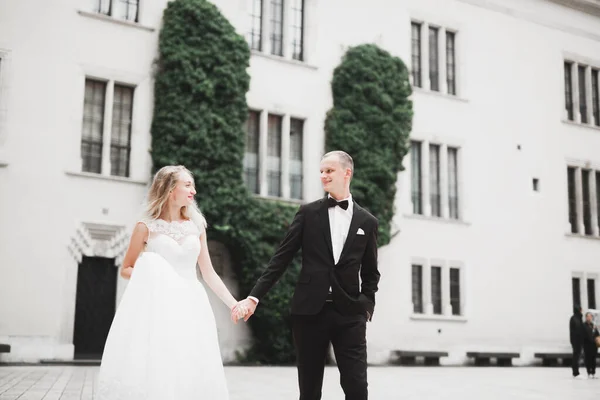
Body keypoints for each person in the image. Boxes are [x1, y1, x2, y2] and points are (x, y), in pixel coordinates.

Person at [233, 150, 381, 400]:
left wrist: (366, 305)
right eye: (321, 171)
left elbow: (370, 271)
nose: (323, 175)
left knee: (357, 387)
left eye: (329, 170)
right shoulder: (308, 213)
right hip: (310, 313)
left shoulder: (367, 221)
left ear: (347, 173)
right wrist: (253, 297)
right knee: (310, 390)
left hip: (349, 315)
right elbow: (281, 258)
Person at [95, 165, 246, 400]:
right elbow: (127, 268)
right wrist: (155, 274)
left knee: (190, 363)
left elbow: (208, 273)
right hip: (158, 308)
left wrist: (233, 304)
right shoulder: (145, 227)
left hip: (191, 305)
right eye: (187, 185)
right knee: (161, 363)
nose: (193, 191)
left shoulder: (196, 227)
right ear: (169, 188)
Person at [582, 311, 599, 378]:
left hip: (594, 346)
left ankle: (593, 373)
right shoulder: (583, 325)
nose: (589, 318)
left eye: (590, 316)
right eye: (588, 316)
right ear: (586, 317)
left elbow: (597, 335)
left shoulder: (593, 325)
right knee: (588, 359)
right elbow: (583, 335)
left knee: (593, 359)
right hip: (587, 345)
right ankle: (589, 372)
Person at [570, 305, 584, 377]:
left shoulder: (575, 318)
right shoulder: (576, 318)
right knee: (576, 356)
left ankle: (575, 371)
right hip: (577, 341)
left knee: (576, 355)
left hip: (575, 340)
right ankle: (575, 372)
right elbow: (578, 330)